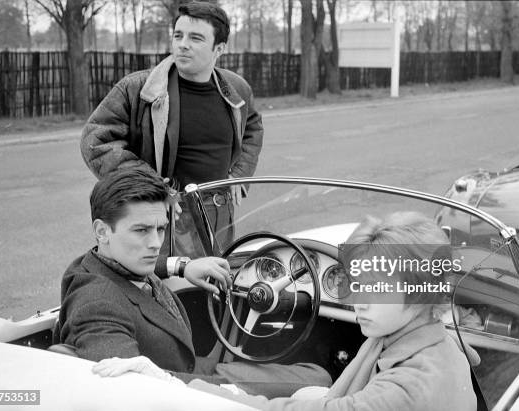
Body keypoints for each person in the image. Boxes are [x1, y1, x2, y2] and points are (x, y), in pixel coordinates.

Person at [92, 212, 478, 411]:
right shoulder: (404, 336)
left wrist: (177, 387)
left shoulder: (408, 387)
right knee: (311, 384)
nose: (358, 299)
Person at [59, 168, 330, 395]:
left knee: (316, 374)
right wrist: (227, 393)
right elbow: (129, 391)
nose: (156, 244)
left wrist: (182, 265)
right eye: (141, 230)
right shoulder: (95, 303)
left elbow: (147, 266)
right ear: (102, 231)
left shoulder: (114, 261)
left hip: (194, 369)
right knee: (319, 383)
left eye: (161, 229)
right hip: (184, 388)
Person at [80, 1, 263, 278]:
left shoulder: (236, 88)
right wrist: (150, 187)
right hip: (168, 214)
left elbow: (253, 126)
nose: (182, 44)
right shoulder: (138, 89)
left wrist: (241, 172)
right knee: (169, 291)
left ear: (219, 49)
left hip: (219, 211)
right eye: (178, 35)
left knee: (218, 288)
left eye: (195, 38)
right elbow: (96, 141)